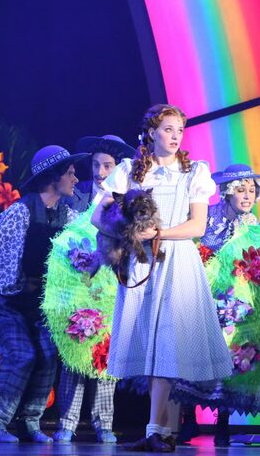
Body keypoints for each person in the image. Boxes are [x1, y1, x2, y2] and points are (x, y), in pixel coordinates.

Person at [92, 104, 232, 452]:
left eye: (179, 131)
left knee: (170, 344)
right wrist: (129, 232)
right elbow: (97, 215)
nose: (174, 137)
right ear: (152, 132)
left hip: (177, 261)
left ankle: (160, 431)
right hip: (142, 263)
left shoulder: (192, 172)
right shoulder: (129, 171)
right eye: (168, 130)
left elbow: (197, 226)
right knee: (155, 345)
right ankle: (162, 433)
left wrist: (158, 233)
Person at [0, 145, 88, 443]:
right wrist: (24, 286)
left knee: (49, 353)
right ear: (52, 177)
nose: (76, 179)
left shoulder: (69, 215)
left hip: (35, 294)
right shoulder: (19, 213)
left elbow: (86, 246)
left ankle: (30, 422)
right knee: (21, 353)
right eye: (70, 173)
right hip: (2, 296)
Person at [176, 163, 260, 446]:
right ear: (228, 192)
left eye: (252, 191)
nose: (247, 196)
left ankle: (223, 423)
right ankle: (189, 420)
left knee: (233, 360)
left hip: (236, 302)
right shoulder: (207, 217)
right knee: (192, 357)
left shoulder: (253, 225)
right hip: (202, 296)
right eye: (241, 190)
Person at [53, 134, 134, 444]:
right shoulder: (76, 196)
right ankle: (67, 422)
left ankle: (104, 424)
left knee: (105, 355)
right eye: (96, 165)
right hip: (76, 284)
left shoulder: (126, 201)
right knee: (74, 353)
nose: (101, 172)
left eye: (108, 166)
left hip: (111, 286)